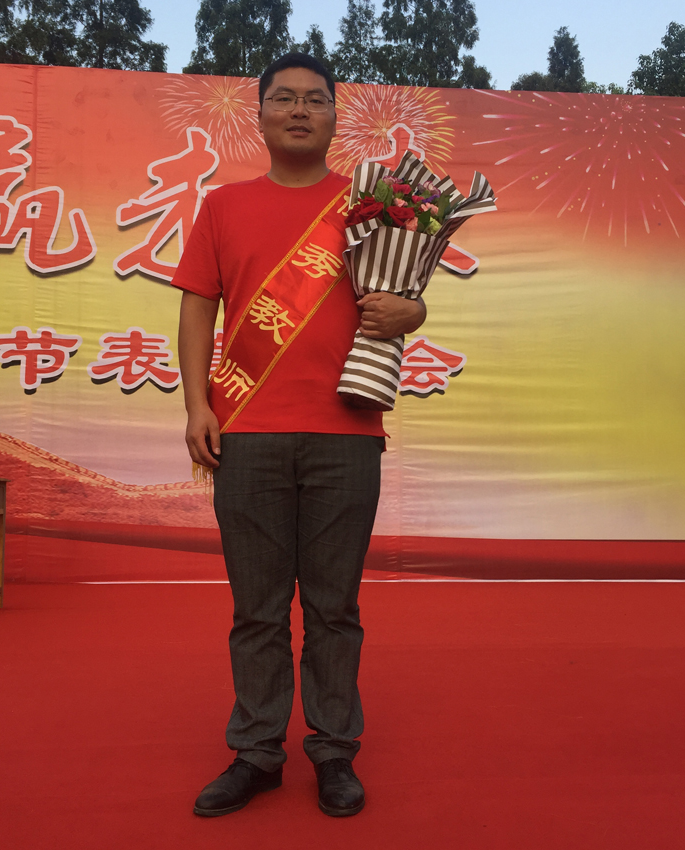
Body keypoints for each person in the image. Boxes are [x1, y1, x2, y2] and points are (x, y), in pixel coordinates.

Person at [172, 53, 426, 818]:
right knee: (257, 608)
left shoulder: (372, 206)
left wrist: (412, 314)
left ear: (335, 117)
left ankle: (333, 751)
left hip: (346, 432)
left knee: (333, 607)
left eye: (315, 100)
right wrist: (196, 405)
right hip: (246, 434)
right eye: (283, 98)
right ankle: (256, 753)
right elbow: (197, 308)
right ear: (259, 116)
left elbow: (406, 295)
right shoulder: (224, 206)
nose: (299, 110)